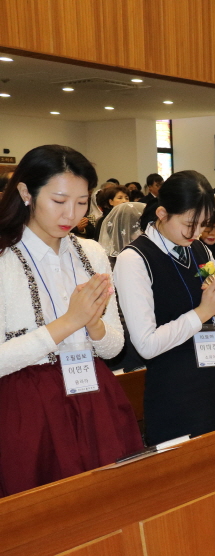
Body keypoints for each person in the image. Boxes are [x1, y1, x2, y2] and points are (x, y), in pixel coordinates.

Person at [0, 144, 143, 496]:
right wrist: (69, 321)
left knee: (109, 504)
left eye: (82, 202)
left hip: (93, 395)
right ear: (25, 192)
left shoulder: (91, 252)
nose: (72, 214)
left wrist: (92, 324)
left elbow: (113, 347)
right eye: (60, 200)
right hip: (26, 406)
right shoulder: (4, 258)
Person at [114, 171, 215, 444]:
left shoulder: (201, 251)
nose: (196, 233)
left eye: (203, 224)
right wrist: (203, 312)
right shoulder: (135, 259)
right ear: (162, 212)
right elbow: (145, 344)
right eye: (189, 223)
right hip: (175, 392)